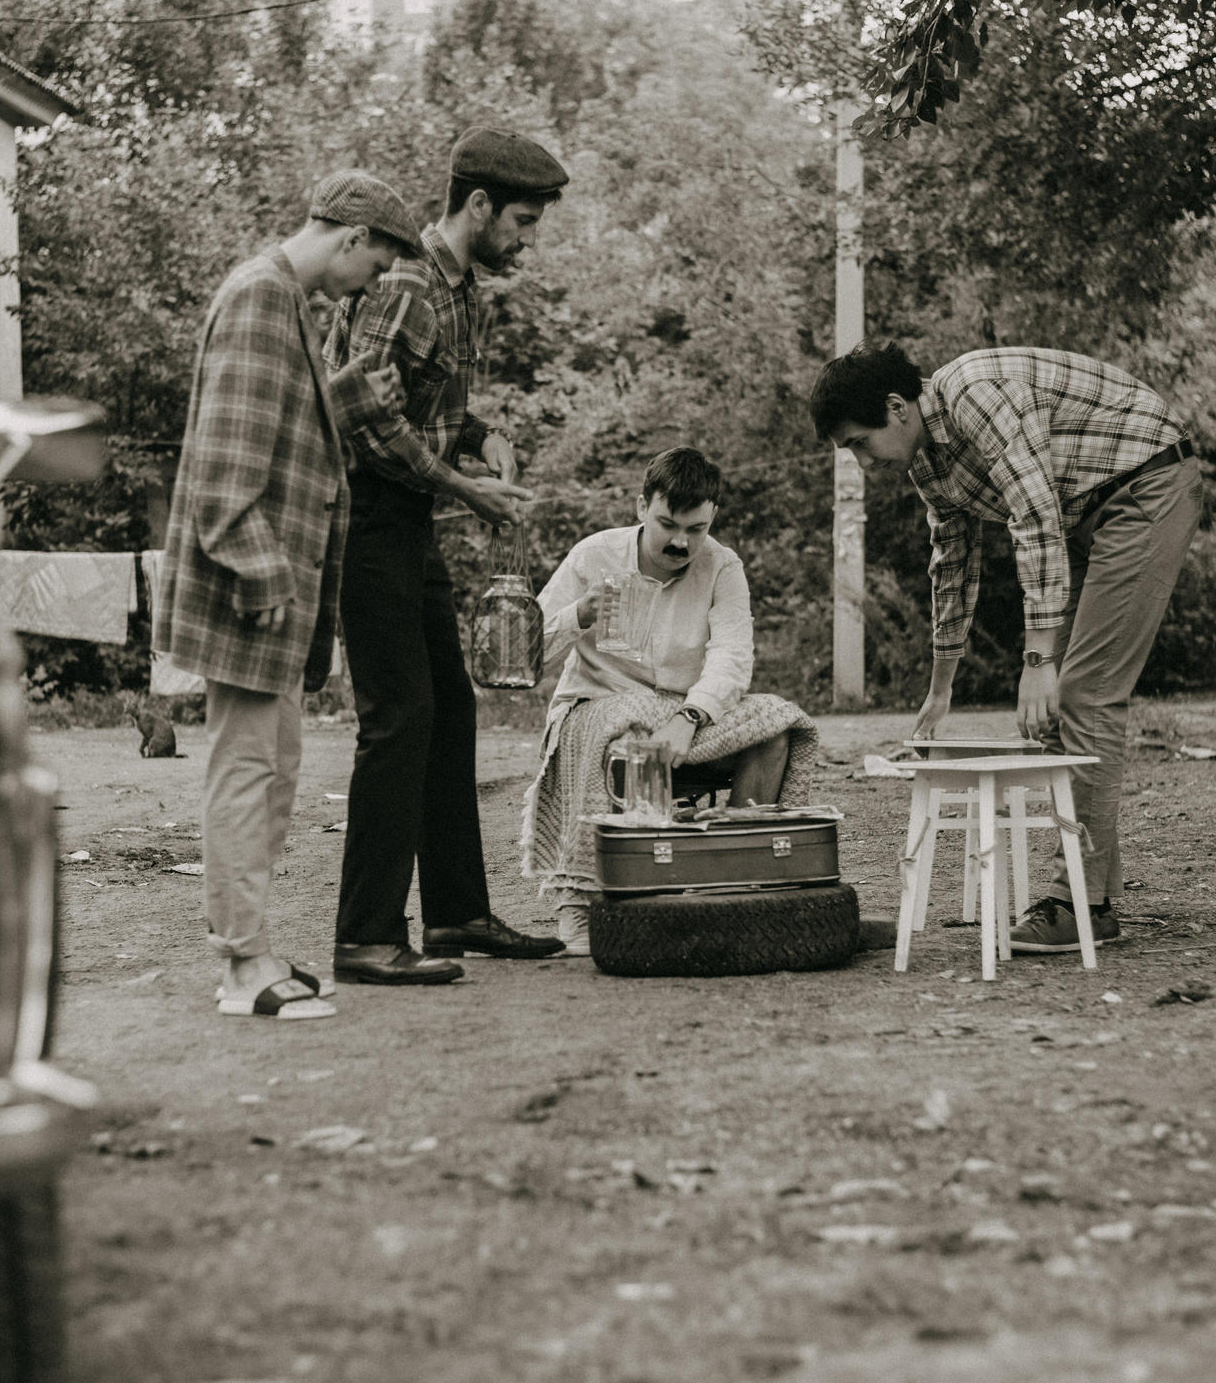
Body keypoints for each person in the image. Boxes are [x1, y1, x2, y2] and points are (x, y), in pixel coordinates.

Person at [812, 343, 1202, 953]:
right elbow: (954, 563)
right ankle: (1092, 894)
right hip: (1085, 515)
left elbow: (1033, 515)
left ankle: (1080, 901)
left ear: (897, 407)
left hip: (1146, 483)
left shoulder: (974, 392)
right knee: (1051, 719)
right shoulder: (928, 464)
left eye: (860, 442)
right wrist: (941, 688)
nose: (862, 462)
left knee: (1085, 695)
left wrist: (1039, 660)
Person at [154, 172, 420, 1019]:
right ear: (349, 238)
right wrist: (259, 568)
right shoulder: (264, 296)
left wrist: (343, 396)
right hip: (254, 586)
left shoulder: (285, 302)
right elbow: (227, 458)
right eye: (374, 266)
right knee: (247, 769)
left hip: (272, 588)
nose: (370, 285)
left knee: (273, 770)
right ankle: (242, 967)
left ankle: (255, 948)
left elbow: (281, 421)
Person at [323, 128, 570, 983]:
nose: (527, 240)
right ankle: (365, 934)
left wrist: (485, 436)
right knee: (398, 720)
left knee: (450, 711)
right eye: (523, 222)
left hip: (413, 516)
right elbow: (359, 409)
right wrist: (465, 489)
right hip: (367, 515)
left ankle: (458, 915)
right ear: (476, 207)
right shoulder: (406, 283)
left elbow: (428, 407)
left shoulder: (467, 294)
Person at [521, 448, 821, 956]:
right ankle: (582, 901)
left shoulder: (723, 566)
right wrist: (579, 614)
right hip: (598, 703)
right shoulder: (594, 555)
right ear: (641, 507)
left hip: (685, 713)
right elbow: (527, 659)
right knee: (625, 729)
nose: (682, 541)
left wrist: (690, 716)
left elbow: (732, 657)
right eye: (668, 524)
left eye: (696, 528)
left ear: (712, 517)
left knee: (776, 724)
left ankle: (737, 883)